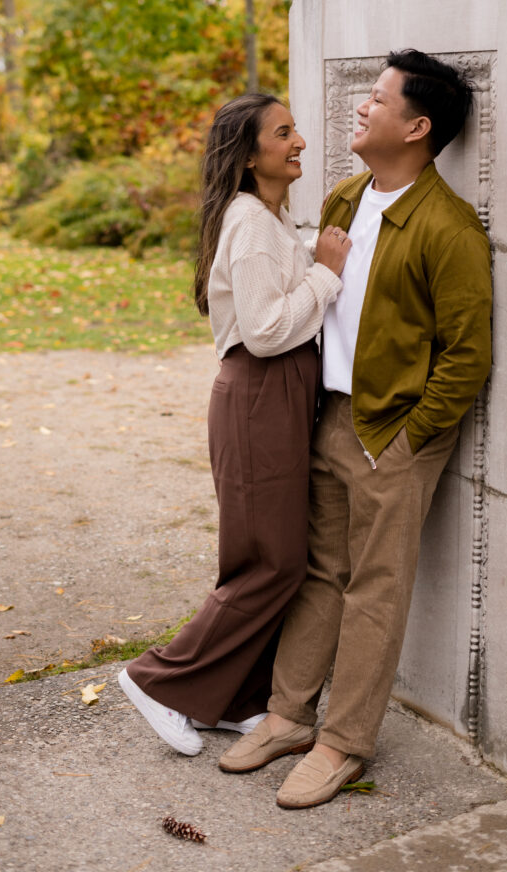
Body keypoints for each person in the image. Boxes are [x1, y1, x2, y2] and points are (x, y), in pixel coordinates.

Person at [218, 49, 493, 808]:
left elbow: (467, 354)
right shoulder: (342, 198)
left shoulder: (447, 226)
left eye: (377, 99)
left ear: (416, 126)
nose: (361, 107)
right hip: (329, 416)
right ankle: (287, 716)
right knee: (317, 574)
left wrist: (408, 439)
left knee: (374, 589)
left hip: (393, 432)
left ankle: (342, 743)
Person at [118, 93, 351, 756]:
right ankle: (157, 680)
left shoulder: (269, 218)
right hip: (258, 394)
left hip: (274, 397)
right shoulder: (249, 221)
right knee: (267, 563)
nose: (299, 140)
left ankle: (229, 700)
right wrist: (326, 276)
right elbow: (267, 330)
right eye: (283, 133)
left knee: (273, 558)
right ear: (250, 156)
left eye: (294, 128)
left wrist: (311, 262)